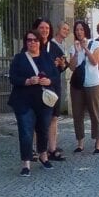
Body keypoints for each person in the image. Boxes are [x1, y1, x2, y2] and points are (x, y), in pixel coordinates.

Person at [8, 32, 58, 175]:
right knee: (26, 132)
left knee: (43, 130)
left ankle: (43, 155)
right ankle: (26, 163)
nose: (32, 42)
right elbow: (13, 78)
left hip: (44, 102)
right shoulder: (19, 58)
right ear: (25, 42)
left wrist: (49, 81)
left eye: (35, 40)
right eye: (29, 40)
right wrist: (27, 81)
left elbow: (55, 75)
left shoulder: (46, 57)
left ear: (40, 42)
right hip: (23, 101)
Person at [32, 17, 68, 161]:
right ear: (36, 29)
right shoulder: (32, 43)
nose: (45, 30)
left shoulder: (54, 47)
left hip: (53, 86)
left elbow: (63, 66)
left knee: (53, 118)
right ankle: (35, 149)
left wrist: (60, 64)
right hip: (36, 87)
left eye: (47, 28)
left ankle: (52, 149)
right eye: (42, 28)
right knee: (36, 118)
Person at [69, 20, 99, 154]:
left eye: (81, 29)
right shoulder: (73, 47)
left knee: (95, 113)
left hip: (92, 83)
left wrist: (85, 49)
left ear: (86, 31)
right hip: (77, 85)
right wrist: (77, 53)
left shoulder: (96, 44)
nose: (79, 32)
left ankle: (98, 141)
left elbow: (94, 62)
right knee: (77, 114)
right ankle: (80, 142)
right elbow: (72, 67)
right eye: (77, 30)